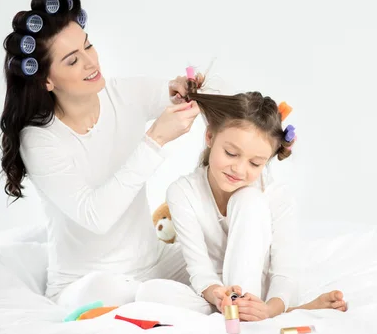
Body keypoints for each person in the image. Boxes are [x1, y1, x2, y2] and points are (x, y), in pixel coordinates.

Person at [0, 0, 200, 308]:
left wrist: (191, 92)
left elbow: (188, 97)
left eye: (88, 45)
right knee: (109, 292)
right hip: (85, 283)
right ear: (46, 81)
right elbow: (96, 216)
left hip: (154, 266)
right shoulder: (39, 139)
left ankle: (160, 298)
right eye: (73, 60)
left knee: (220, 268)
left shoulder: (123, 93)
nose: (91, 62)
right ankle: (160, 302)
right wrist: (155, 140)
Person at [137, 84, 347, 320]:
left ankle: (259, 312)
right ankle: (251, 312)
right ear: (210, 136)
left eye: (255, 163)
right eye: (231, 153)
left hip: (261, 290)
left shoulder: (276, 197)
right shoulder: (182, 192)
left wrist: (270, 307)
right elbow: (200, 272)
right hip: (215, 289)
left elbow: (284, 274)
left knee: (248, 199)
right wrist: (218, 294)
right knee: (149, 293)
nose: (239, 169)